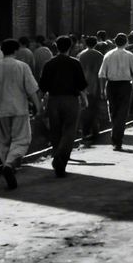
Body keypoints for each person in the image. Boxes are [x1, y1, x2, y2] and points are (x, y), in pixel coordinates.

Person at [0, 39, 40, 189]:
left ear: (2, 51)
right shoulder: (22, 67)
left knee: (3, 142)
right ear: (16, 50)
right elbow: (32, 90)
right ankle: (9, 164)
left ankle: (8, 166)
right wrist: (38, 106)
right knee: (22, 139)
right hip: (19, 109)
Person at [38, 36, 86, 177]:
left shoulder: (49, 64)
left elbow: (42, 87)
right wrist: (84, 99)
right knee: (69, 131)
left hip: (53, 100)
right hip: (71, 100)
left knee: (55, 131)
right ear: (70, 47)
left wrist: (39, 103)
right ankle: (60, 159)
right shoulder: (75, 63)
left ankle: (57, 157)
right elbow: (81, 85)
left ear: (56, 46)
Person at [98, 33, 133, 151]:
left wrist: (102, 89)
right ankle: (117, 139)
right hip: (125, 86)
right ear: (126, 42)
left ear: (115, 42)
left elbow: (102, 74)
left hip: (111, 85)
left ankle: (115, 135)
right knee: (123, 112)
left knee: (113, 110)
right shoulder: (130, 55)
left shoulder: (108, 55)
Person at [77, 36, 107, 143]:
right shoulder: (99, 55)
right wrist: (103, 88)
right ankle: (94, 130)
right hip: (95, 85)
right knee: (94, 108)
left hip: (83, 85)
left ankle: (84, 131)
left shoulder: (80, 55)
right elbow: (101, 73)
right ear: (96, 44)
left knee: (84, 109)